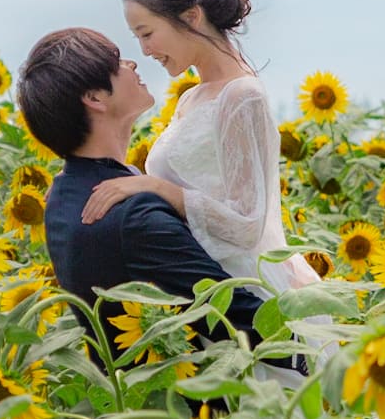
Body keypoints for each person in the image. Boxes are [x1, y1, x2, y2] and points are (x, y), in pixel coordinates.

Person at [77, 0, 323, 298]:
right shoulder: (193, 97)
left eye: (147, 33)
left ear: (192, 16)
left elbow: (247, 225)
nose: (144, 51)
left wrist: (154, 187)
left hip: (244, 297)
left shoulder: (242, 96)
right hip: (198, 288)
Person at [20, 25, 263, 361]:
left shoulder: (62, 196)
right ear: (94, 99)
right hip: (185, 405)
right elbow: (236, 318)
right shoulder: (134, 215)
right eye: (117, 61)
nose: (132, 64)